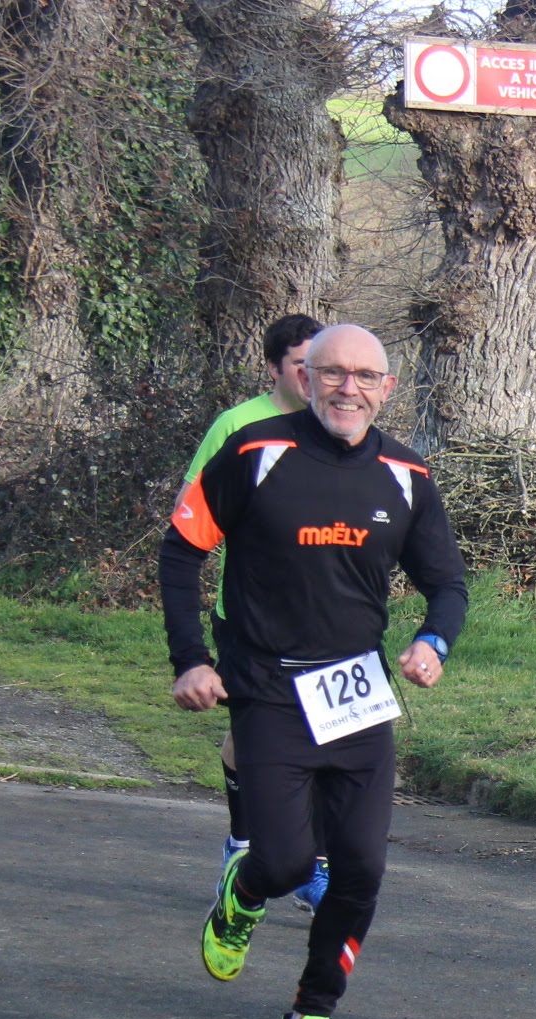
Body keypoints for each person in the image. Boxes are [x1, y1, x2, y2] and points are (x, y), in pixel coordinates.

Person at [158, 323, 468, 1019]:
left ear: (387, 389)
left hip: (356, 693)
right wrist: (191, 659)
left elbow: (447, 584)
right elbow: (182, 551)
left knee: (360, 867)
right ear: (306, 379)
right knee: (287, 860)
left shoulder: (406, 474)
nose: (347, 389)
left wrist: (433, 641)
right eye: (332, 373)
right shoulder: (255, 452)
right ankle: (245, 891)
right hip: (267, 686)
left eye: (364, 377)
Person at [181, 313, 329, 915]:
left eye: (321, 365)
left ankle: (313, 867)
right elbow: (190, 514)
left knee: (327, 734)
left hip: (327, 620)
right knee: (254, 735)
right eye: (300, 365)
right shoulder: (238, 426)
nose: (314, 377)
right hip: (247, 618)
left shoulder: (343, 428)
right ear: (273, 369)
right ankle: (242, 841)